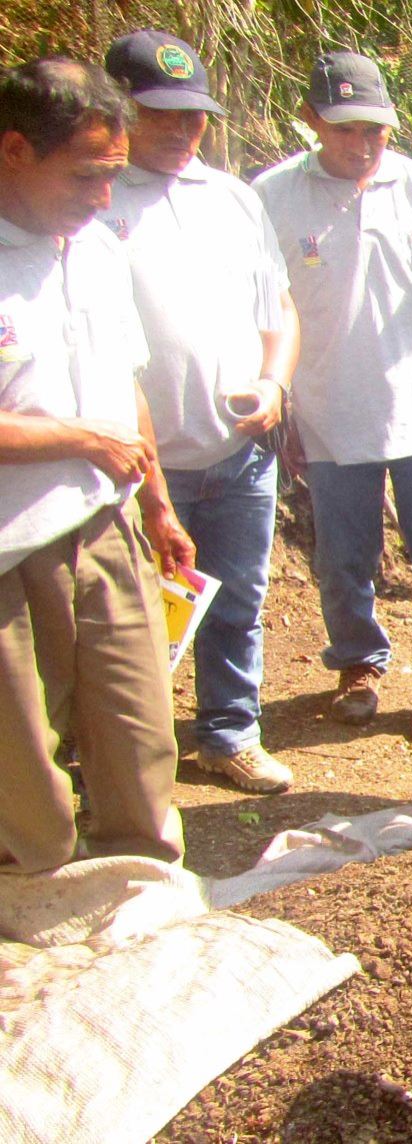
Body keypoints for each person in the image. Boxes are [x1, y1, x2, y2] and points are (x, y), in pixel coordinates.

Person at [253, 51, 412, 743]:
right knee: (342, 557)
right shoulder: (271, 197)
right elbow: (261, 308)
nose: (362, 146)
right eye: (346, 130)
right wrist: (283, 400)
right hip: (329, 413)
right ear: (310, 122)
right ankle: (357, 665)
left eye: (376, 131)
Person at [0, 58, 189, 873]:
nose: (105, 197)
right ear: (14, 150)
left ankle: (140, 886)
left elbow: (128, 384)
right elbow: (97, 425)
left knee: (139, 734)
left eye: (114, 175)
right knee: (22, 771)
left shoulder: (98, 252)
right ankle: (32, 909)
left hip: (107, 527)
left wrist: (158, 506)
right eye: (87, 175)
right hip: (9, 551)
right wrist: (81, 439)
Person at [99, 29, 300, 793]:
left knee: (238, 599)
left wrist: (276, 384)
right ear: (118, 109)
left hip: (239, 447)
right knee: (130, 617)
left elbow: (276, 305)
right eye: (162, 115)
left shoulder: (232, 198)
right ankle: (126, 755)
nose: (184, 130)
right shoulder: (91, 200)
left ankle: (228, 734)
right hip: (140, 458)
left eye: (194, 116)